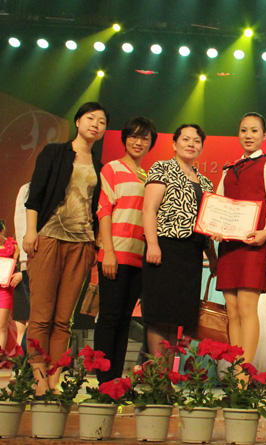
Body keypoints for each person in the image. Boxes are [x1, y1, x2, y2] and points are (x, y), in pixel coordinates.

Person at [23, 102, 107, 394]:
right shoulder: (55, 152)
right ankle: (38, 379)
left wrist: (95, 244)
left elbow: (98, 209)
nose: (95, 125)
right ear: (78, 121)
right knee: (41, 315)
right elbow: (35, 196)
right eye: (90, 118)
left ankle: (54, 378)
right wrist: (31, 231)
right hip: (49, 238)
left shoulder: (99, 165)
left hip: (81, 245)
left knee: (63, 320)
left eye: (101, 122)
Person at [214, 112, 266, 365]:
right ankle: (236, 370)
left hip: (254, 246)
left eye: (254, 130)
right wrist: (216, 227)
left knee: (246, 308)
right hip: (229, 247)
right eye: (244, 130)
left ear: (264, 135)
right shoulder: (229, 168)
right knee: (232, 311)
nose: (248, 135)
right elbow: (219, 204)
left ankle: (244, 373)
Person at [143, 124, 217, 362]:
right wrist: (152, 244)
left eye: (196, 141)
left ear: (201, 148)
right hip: (164, 249)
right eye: (185, 139)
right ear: (174, 144)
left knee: (176, 319)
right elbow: (149, 209)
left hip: (191, 256)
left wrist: (213, 258)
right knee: (158, 316)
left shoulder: (205, 183)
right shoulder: (162, 168)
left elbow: (206, 226)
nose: (191, 144)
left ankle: (168, 376)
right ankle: (157, 375)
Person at [94, 116, 157, 383]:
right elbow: (104, 210)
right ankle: (103, 381)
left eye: (144, 138)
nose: (138, 142)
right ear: (125, 139)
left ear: (151, 143)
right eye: (134, 136)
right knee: (109, 318)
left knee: (124, 320)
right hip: (115, 254)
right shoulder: (112, 168)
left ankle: (115, 380)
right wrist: (108, 251)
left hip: (139, 258)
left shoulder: (149, 176)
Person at [13, 183, 30, 347]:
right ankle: (21, 358)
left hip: (29, 271)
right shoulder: (26, 189)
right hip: (22, 278)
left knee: (33, 322)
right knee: (22, 326)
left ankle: (26, 357)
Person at [0, 219, 21, 349]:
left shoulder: (12, 245)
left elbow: (18, 264)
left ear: (2, 231)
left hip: (5, 290)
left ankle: (0, 355)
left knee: (1, 326)